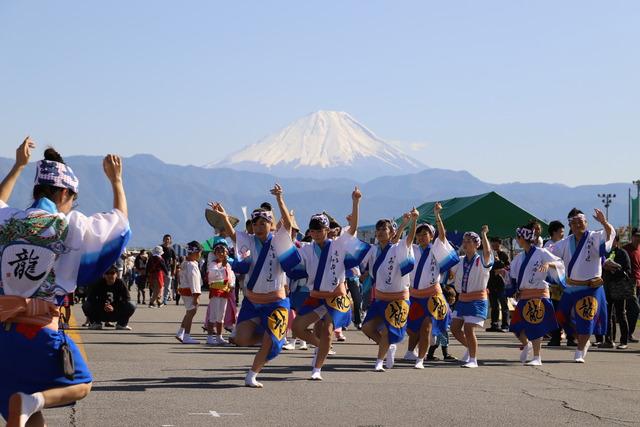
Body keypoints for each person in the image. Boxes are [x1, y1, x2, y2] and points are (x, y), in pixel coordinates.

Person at [0, 138, 130, 426]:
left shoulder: (8, 221)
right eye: (73, 199)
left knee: (26, 413)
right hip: (39, 333)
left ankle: (30, 402)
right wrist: (116, 181)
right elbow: (120, 226)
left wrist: (18, 166)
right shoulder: (70, 226)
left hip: (2, 337)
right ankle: (33, 400)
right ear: (63, 193)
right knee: (80, 385)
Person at [209, 184, 301, 388]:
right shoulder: (247, 241)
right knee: (240, 339)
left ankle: (252, 372)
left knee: (270, 341)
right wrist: (224, 216)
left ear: (271, 224)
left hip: (276, 302)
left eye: (263, 223)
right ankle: (271, 335)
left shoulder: (280, 240)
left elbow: (286, 223)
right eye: (255, 223)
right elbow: (233, 235)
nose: (258, 226)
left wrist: (280, 199)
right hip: (252, 302)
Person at [290, 187, 370, 380]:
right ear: (310, 231)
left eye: (320, 229)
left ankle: (317, 369)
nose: (317, 233)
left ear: (327, 230)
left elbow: (352, 229)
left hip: (335, 297)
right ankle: (321, 347)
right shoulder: (307, 249)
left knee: (326, 330)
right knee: (298, 328)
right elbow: (289, 254)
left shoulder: (338, 245)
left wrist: (356, 202)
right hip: (316, 296)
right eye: (313, 230)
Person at [550, 208, 615, 363]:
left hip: (591, 287)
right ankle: (583, 341)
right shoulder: (565, 243)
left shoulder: (595, 236)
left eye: (581, 221)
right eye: (575, 222)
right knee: (563, 318)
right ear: (570, 226)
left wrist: (604, 222)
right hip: (571, 288)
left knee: (586, 318)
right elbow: (549, 253)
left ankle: (579, 350)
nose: (578, 224)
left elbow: (610, 235)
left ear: (586, 222)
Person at [361, 210, 418, 372]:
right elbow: (365, 267)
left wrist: (413, 221)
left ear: (391, 232)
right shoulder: (373, 250)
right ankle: (388, 348)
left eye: (383, 229)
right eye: (377, 230)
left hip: (398, 299)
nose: (379, 232)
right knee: (367, 328)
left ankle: (379, 361)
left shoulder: (399, 248)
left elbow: (409, 239)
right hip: (379, 298)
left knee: (387, 331)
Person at [405, 202, 459, 369]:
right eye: (419, 234)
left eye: (425, 234)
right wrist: (413, 221)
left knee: (427, 325)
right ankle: (410, 351)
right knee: (413, 328)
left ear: (431, 236)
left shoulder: (436, 249)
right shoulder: (411, 248)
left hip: (431, 295)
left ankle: (420, 359)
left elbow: (442, 236)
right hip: (414, 294)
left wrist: (437, 215)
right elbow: (404, 240)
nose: (421, 236)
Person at [506, 225, 565, 365]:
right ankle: (527, 345)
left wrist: (549, 265)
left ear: (522, 239)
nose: (517, 239)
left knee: (536, 325)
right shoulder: (519, 257)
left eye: (518, 237)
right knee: (515, 326)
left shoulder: (541, 252)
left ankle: (537, 357)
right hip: (525, 294)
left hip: (539, 293)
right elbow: (513, 275)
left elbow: (560, 263)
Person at [449, 225, 493, 368]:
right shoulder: (460, 260)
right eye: (465, 240)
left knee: (468, 328)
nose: (466, 243)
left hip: (477, 300)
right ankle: (470, 348)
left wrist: (484, 235)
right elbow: (450, 272)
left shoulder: (482, 261)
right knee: (455, 329)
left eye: (469, 241)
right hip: (462, 299)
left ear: (476, 244)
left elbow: (487, 252)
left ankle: (473, 359)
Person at [544, 220, 575, 347]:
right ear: (553, 233)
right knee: (556, 312)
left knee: (568, 311)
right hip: (554, 285)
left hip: (566, 283)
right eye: (561, 232)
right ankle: (556, 337)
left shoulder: (565, 244)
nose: (563, 234)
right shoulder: (548, 246)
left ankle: (571, 337)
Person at [82, 265, 136, 330]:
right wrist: (102, 306)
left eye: (112, 273)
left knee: (132, 304)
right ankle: (96, 323)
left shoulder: (120, 283)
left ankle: (122, 324)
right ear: (104, 275)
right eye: (107, 273)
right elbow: (91, 299)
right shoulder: (98, 283)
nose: (110, 275)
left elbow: (127, 299)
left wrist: (114, 307)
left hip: (116, 311)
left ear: (116, 274)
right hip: (101, 312)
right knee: (86, 304)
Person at [602, 236, 632, 349]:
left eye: (612, 239)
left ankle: (624, 341)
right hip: (607, 287)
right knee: (608, 314)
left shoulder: (622, 253)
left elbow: (628, 270)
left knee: (621, 313)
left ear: (617, 241)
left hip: (619, 287)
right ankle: (609, 340)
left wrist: (614, 269)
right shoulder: (604, 253)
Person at [205, 240, 235, 345]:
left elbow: (231, 275)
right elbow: (213, 275)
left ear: (226, 253)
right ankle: (209, 337)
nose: (221, 254)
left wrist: (232, 284)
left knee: (221, 315)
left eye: (223, 252)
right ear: (215, 253)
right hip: (216, 291)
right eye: (219, 252)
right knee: (213, 314)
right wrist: (223, 266)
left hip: (225, 291)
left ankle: (219, 336)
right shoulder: (213, 264)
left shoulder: (228, 265)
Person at [176, 241, 204, 344]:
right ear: (195, 253)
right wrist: (196, 295)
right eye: (200, 253)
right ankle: (186, 335)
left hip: (185, 290)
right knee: (191, 312)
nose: (200, 255)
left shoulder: (185, 263)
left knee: (189, 312)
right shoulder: (192, 265)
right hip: (190, 291)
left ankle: (181, 332)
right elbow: (194, 281)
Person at [486, 237, 510, 332]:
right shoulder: (489, 254)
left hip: (501, 283)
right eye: (493, 245)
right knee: (494, 305)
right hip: (491, 283)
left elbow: (508, 267)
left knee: (504, 304)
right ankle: (494, 324)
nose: (495, 247)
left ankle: (505, 325)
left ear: (500, 244)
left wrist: (499, 261)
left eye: (497, 245)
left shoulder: (504, 254)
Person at [623, 228, 640, 343]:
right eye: (636, 236)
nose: (638, 238)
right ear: (632, 236)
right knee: (634, 309)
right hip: (628, 284)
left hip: (638, 284)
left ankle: (629, 334)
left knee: (633, 310)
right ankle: (628, 333)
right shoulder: (625, 250)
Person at [161, 234, 177, 304]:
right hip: (160, 269)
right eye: (166, 239)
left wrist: (174, 270)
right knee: (159, 285)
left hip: (168, 270)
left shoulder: (171, 249)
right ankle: (158, 297)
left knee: (167, 285)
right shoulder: (160, 248)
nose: (167, 240)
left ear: (170, 241)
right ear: (163, 239)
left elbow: (174, 260)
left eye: (168, 239)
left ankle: (165, 299)